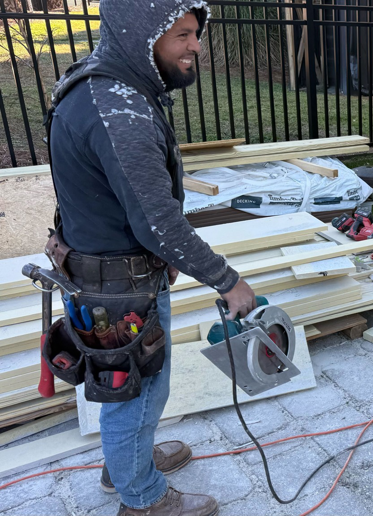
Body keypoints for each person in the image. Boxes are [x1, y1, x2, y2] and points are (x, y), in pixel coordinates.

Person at [45, 1, 257, 514]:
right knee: (137, 394)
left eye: (195, 34)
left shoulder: (96, 86)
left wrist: (162, 255)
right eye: (182, 35)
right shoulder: (117, 109)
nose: (195, 46)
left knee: (128, 389)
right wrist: (227, 280)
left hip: (101, 274)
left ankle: (126, 465)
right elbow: (156, 219)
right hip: (119, 289)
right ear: (143, 35)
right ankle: (141, 499)